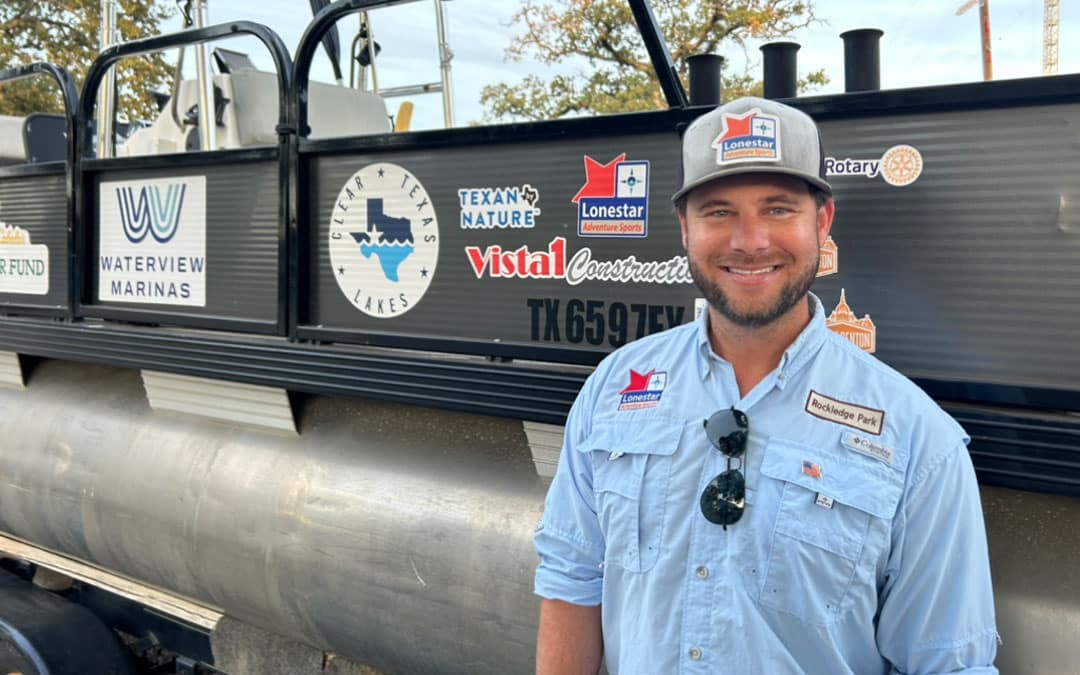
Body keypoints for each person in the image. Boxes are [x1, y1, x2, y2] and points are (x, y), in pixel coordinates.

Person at [533, 97, 999, 675]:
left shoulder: (917, 439)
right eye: (718, 211)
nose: (749, 241)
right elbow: (572, 578)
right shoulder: (612, 388)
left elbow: (947, 665)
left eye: (778, 209)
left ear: (821, 222)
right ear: (684, 228)